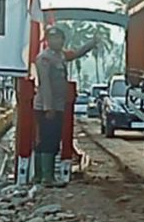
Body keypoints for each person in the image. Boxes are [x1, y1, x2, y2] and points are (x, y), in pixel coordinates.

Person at [33, 26, 98, 185]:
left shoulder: (60, 56)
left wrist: (91, 44)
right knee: (48, 140)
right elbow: (45, 84)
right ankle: (45, 177)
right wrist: (49, 107)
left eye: (60, 38)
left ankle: (41, 176)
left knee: (50, 140)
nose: (57, 41)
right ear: (47, 41)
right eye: (53, 38)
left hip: (57, 105)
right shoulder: (44, 58)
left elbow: (76, 53)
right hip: (48, 107)